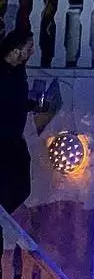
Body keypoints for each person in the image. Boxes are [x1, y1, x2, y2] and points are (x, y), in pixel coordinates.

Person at [0, 29, 39, 214]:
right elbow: (8, 103)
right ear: (16, 50)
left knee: (22, 186)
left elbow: (16, 100)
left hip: (14, 137)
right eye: (28, 47)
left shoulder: (18, 71)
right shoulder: (3, 74)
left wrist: (30, 104)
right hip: (4, 139)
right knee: (10, 184)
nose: (32, 52)